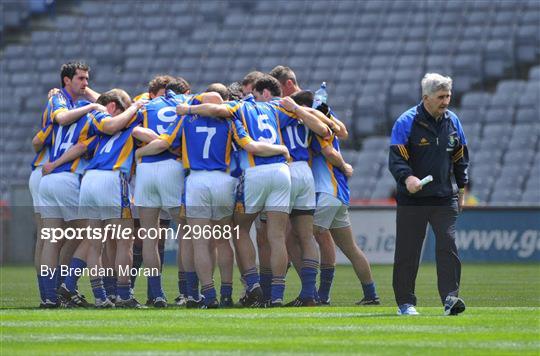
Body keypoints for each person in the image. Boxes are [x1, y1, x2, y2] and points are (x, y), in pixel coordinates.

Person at [389, 72, 469, 316]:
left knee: (448, 244)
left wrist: (462, 188)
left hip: (444, 198)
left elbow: (460, 157)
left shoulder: (453, 120)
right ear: (426, 98)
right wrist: (408, 178)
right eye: (441, 97)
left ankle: (450, 299)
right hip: (411, 200)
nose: (446, 101)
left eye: (448, 96)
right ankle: (405, 303)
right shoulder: (406, 122)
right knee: (408, 251)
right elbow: (396, 160)